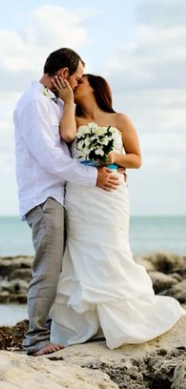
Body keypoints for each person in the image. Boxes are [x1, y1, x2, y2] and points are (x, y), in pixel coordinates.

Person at [48, 74, 186, 349]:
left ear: (96, 88)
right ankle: (89, 325)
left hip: (111, 196)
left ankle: (124, 318)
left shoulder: (120, 120)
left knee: (112, 249)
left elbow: (136, 159)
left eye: (81, 82)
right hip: (80, 196)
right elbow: (66, 136)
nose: (75, 84)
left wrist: (112, 157)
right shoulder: (71, 118)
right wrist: (68, 102)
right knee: (82, 252)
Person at [13, 48, 120, 356]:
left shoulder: (56, 102)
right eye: (75, 78)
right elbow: (50, 158)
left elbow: (71, 142)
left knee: (62, 267)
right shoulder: (34, 103)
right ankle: (34, 340)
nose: (76, 84)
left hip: (59, 196)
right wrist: (93, 178)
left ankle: (59, 329)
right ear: (61, 74)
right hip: (43, 196)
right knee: (47, 269)